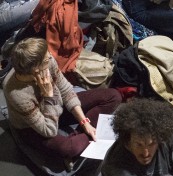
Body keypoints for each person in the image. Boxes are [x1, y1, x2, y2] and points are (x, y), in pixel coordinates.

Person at [3, 37, 122, 166]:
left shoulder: (48, 62)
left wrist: (84, 122)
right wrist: (49, 96)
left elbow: (65, 90)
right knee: (70, 148)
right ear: (36, 70)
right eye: (46, 59)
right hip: (34, 125)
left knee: (113, 96)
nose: (50, 57)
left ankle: (82, 136)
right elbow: (49, 130)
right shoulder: (17, 94)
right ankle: (82, 141)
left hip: (56, 107)